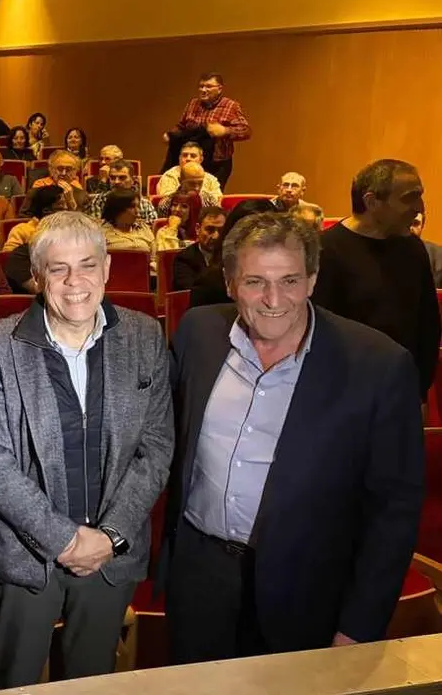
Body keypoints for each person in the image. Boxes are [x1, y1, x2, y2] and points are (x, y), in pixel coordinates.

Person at [165, 210, 423, 663]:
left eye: (289, 280)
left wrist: (359, 626)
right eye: (254, 282)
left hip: (308, 590)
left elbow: (394, 510)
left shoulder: (378, 365)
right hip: (200, 578)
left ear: (312, 279)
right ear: (228, 282)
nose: (273, 299)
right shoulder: (198, 333)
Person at [0, 211, 172, 688]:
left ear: (107, 270)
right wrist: (64, 539)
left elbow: (158, 445)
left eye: (87, 265)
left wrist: (111, 535)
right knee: (14, 679)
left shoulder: (144, 336)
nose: (75, 281)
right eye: (58, 268)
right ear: (37, 278)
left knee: (91, 681)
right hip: (25, 554)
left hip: (111, 553)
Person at [311, 159, 438, 402]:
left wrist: (419, 390)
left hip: (402, 392)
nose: (419, 207)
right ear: (372, 202)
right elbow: (319, 333)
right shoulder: (325, 250)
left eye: (419, 196)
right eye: (409, 198)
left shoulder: (412, 249)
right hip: (344, 395)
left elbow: (428, 325)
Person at [165, 72, 251, 188]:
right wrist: (171, 135)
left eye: (208, 86)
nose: (203, 90)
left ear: (219, 89)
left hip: (217, 163)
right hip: (192, 162)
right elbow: (182, 126)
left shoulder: (231, 106)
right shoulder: (193, 104)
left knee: (209, 195)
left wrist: (225, 131)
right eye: (201, 86)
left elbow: (246, 131)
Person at [84, 160, 158, 225]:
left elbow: (151, 229)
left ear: (133, 180)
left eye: (122, 178)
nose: (116, 182)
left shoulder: (145, 203)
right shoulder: (99, 200)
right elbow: (96, 227)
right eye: (112, 178)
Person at [171, 206, 226, 291]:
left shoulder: (231, 255)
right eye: (210, 229)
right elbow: (190, 293)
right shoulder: (184, 259)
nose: (216, 236)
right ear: (197, 229)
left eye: (221, 230)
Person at [156, 142, 223, 198]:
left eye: (193, 156)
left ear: (201, 159)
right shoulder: (170, 176)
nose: (188, 159)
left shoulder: (211, 179)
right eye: (185, 155)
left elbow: (218, 199)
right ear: (179, 158)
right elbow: (167, 200)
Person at [101, 191, 156, 257]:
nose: (137, 211)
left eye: (138, 206)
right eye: (132, 207)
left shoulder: (144, 228)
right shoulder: (102, 233)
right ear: (118, 209)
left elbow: (154, 258)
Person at [410, 213, 442, 287]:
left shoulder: (438, 256)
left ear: (422, 226)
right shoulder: (381, 254)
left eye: (415, 223)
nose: (410, 228)